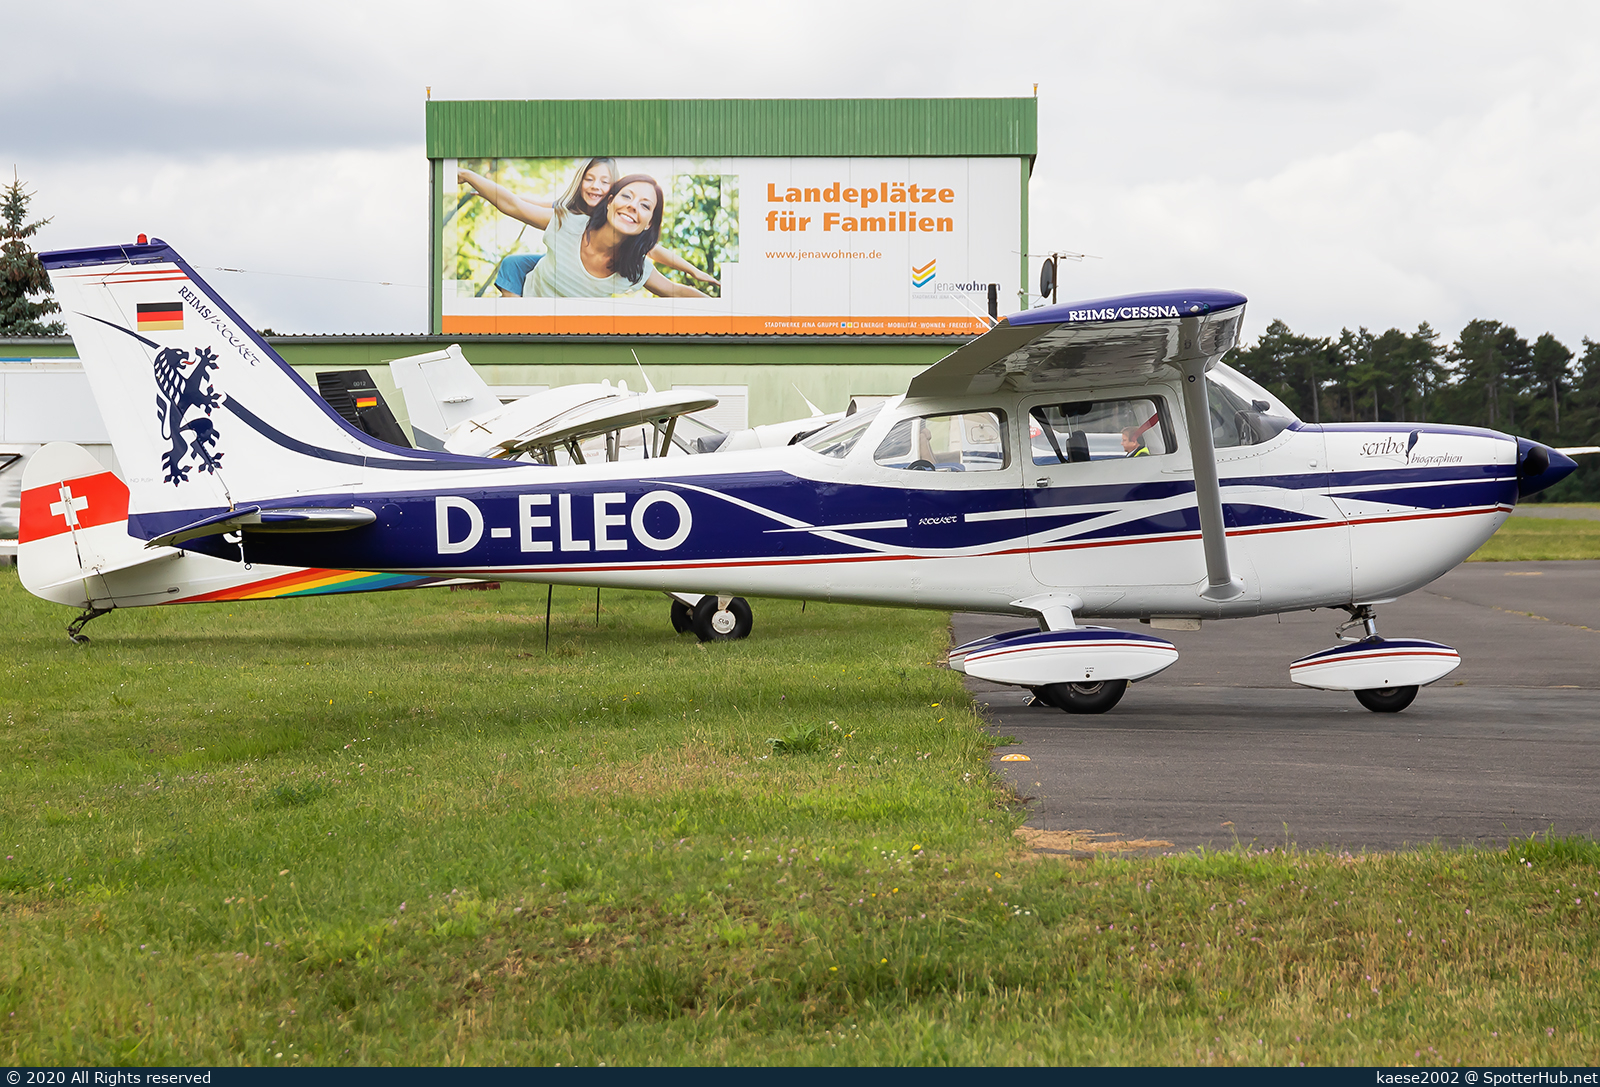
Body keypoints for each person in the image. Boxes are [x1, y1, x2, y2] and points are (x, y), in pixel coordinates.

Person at [458, 162, 719, 297]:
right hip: (528, 306)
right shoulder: (567, 219)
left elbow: (672, 288)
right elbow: (515, 204)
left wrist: (725, 308)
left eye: (645, 205)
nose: (632, 207)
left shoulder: (634, 266)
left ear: (648, 222)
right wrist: (470, 176)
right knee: (513, 264)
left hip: (565, 336)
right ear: (610, 201)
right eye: (626, 197)